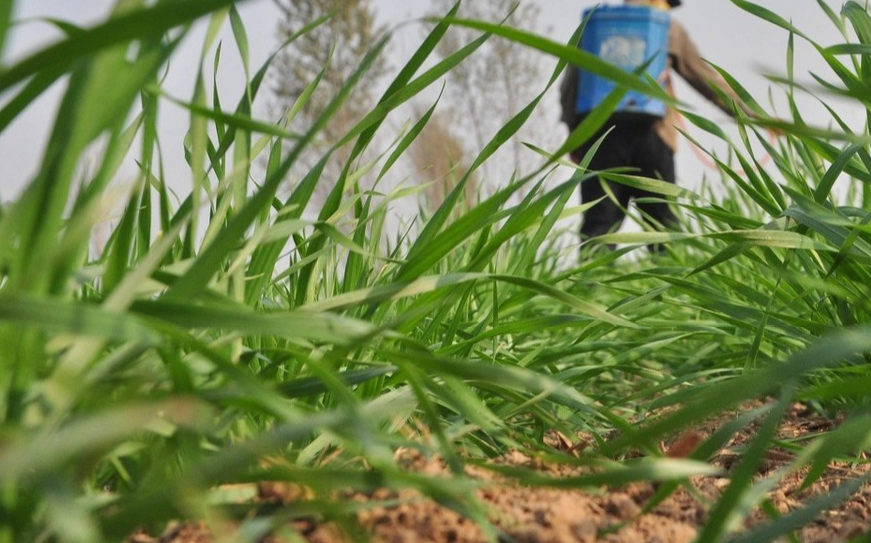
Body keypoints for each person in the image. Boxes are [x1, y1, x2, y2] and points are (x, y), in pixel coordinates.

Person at [561, 0, 751, 251]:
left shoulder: (598, 25)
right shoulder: (668, 29)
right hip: (654, 137)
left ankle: (588, 288)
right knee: (664, 227)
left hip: (602, 138)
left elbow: (570, 86)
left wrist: (577, 136)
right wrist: (754, 115)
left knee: (598, 226)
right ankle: (670, 287)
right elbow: (707, 79)